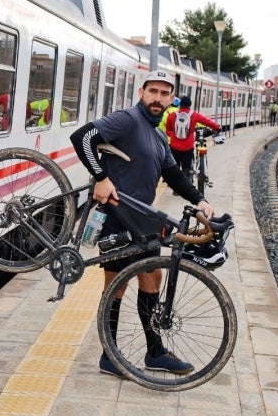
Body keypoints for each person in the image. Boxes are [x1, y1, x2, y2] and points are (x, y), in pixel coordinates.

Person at [70, 71, 215, 378]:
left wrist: (200, 199)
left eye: (164, 94)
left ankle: (148, 353)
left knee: (146, 278)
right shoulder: (127, 120)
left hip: (138, 217)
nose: (158, 98)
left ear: (170, 99)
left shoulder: (158, 135)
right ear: (142, 92)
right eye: (153, 91)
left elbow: (174, 175)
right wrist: (101, 178)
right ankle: (130, 354)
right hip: (117, 217)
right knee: (122, 284)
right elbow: (82, 137)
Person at [164, 96, 221, 182]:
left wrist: (173, 135)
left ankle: (175, 188)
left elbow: (167, 129)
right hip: (188, 146)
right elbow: (207, 122)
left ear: (180, 104)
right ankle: (185, 184)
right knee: (186, 168)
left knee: (175, 167)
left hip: (174, 145)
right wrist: (217, 128)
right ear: (190, 105)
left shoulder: (172, 115)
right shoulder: (194, 115)